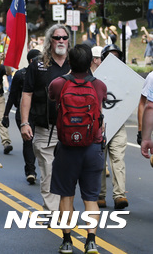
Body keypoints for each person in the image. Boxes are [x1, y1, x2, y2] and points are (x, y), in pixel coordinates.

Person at [48, 44, 106, 254]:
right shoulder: (99, 86)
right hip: (92, 147)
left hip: (67, 148)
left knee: (66, 196)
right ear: (91, 61)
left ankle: (67, 241)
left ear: (70, 62)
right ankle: (91, 240)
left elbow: (52, 99)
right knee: (91, 198)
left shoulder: (58, 83)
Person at [20, 24, 71, 215]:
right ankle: (51, 212)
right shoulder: (38, 65)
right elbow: (27, 94)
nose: (61, 41)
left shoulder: (76, 63)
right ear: (50, 41)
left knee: (67, 171)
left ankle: (65, 210)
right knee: (48, 170)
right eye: (57, 38)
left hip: (71, 128)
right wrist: (25, 123)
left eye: (64, 38)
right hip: (45, 127)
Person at [2, 49, 42, 184]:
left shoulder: (43, 73)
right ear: (31, 61)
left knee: (39, 142)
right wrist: (6, 114)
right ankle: (30, 171)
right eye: (38, 59)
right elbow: (12, 95)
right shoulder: (20, 75)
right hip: (23, 113)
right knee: (28, 141)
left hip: (39, 112)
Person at [97, 44, 129, 210]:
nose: (113, 60)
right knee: (100, 161)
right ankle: (100, 195)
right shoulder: (95, 78)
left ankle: (119, 195)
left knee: (118, 160)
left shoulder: (125, 77)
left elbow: (131, 97)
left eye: (116, 56)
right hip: (98, 125)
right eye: (110, 56)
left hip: (118, 124)